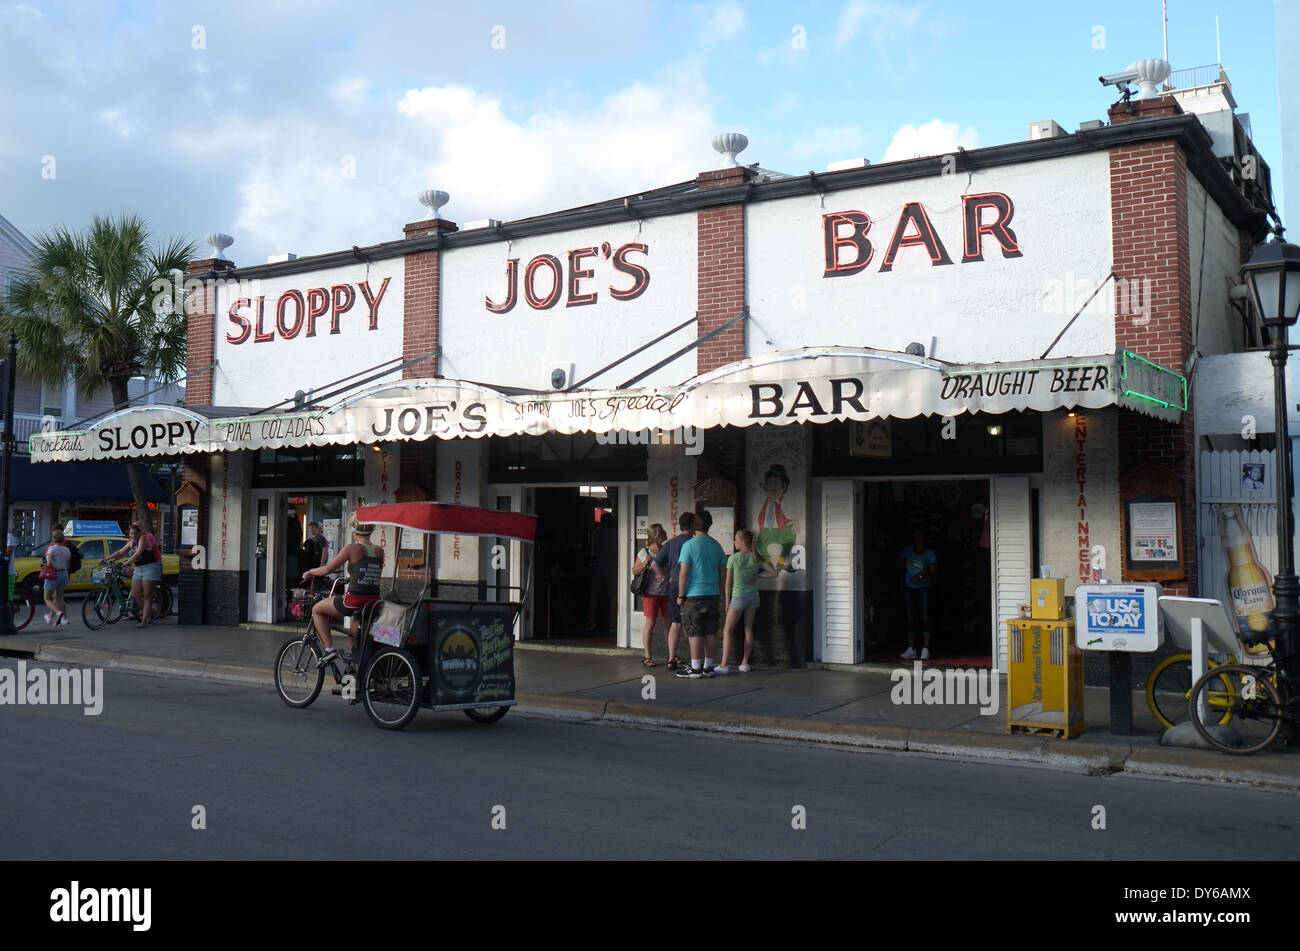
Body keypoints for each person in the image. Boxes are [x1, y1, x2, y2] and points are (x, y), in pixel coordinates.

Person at [301, 519, 384, 665]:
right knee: (355, 633)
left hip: (354, 600)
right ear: (371, 531)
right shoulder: (379, 551)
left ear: (354, 531)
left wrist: (310, 572)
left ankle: (329, 650)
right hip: (373, 603)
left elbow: (327, 569)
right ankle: (352, 669)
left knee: (317, 610)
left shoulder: (352, 548)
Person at [675, 512, 728, 678]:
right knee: (711, 630)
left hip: (693, 595)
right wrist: (718, 591)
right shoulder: (717, 545)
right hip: (713, 593)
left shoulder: (689, 546)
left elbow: (683, 573)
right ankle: (708, 665)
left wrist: (681, 595)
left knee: (695, 629)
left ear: (693, 525)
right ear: (709, 525)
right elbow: (723, 574)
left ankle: (695, 667)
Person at [717, 528, 776, 674]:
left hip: (738, 597)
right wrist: (758, 576)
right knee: (748, 628)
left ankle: (724, 665)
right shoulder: (756, 557)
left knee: (727, 629)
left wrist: (726, 602)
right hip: (753, 597)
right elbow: (774, 573)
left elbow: (727, 583)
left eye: (736, 539)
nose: (734, 542)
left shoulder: (733, 558)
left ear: (742, 542)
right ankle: (745, 663)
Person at [652, 512, 696, 669]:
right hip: (692, 585)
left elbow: (655, 564)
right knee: (692, 623)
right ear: (692, 525)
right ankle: (695, 660)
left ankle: (671, 658)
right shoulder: (694, 542)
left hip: (674, 584)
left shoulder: (671, 543)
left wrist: (667, 576)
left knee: (675, 623)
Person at [109, 521, 162, 628]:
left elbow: (138, 552)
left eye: (133, 533)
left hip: (150, 567)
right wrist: (107, 559)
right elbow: (120, 552)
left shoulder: (144, 538)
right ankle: (149, 611)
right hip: (138, 568)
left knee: (147, 595)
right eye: (130, 533)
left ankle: (144, 621)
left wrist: (127, 563)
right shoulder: (131, 542)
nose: (131, 535)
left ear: (139, 532)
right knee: (135, 595)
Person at [633, 523, 670, 666]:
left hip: (666, 592)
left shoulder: (666, 550)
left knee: (669, 624)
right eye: (663, 533)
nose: (666, 534)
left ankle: (672, 654)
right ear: (657, 536)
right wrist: (644, 564)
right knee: (650, 624)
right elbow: (634, 571)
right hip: (651, 593)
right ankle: (648, 656)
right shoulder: (644, 552)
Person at [899, 528, 937, 660]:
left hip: (923, 588)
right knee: (910, 617)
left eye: (919, 535)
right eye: (915, 535)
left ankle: (926, 649)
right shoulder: (906, 551)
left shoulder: (930, 554)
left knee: (925, 617)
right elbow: (900, 565)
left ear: (924, 538)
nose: (917, 538)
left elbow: (933, 574)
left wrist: (921, 576)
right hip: (909, 588)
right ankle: (911, 648)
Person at [756, 464, 798, 570]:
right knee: (761, 545)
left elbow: (791, 515)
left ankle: (780, 562)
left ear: (783, 487)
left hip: (781, 530)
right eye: (770, 483)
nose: (772, 486)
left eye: (775, 483)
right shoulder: (765, 502)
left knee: (789, 537)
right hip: (767, 531)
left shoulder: (784, 502)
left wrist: (796, 523)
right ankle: (769, 564)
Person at [586, 510, 618, 633]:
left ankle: (592, 621)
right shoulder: (616, 533)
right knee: (613, 596)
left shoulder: (597, 533)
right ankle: (613, 624)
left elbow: (592, 552)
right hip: (613, 568)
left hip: (598, 568)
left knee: (594, 596)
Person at [41, 528, 73, 626]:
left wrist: (43, 565)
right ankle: (59, 621)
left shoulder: (52, 549)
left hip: (54, 574)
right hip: (64, 574)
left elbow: (49, 563)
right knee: (59, 597)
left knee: (47, 598)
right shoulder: (67, 550)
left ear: (53, 538)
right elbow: (68, 565)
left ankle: (58, 612)